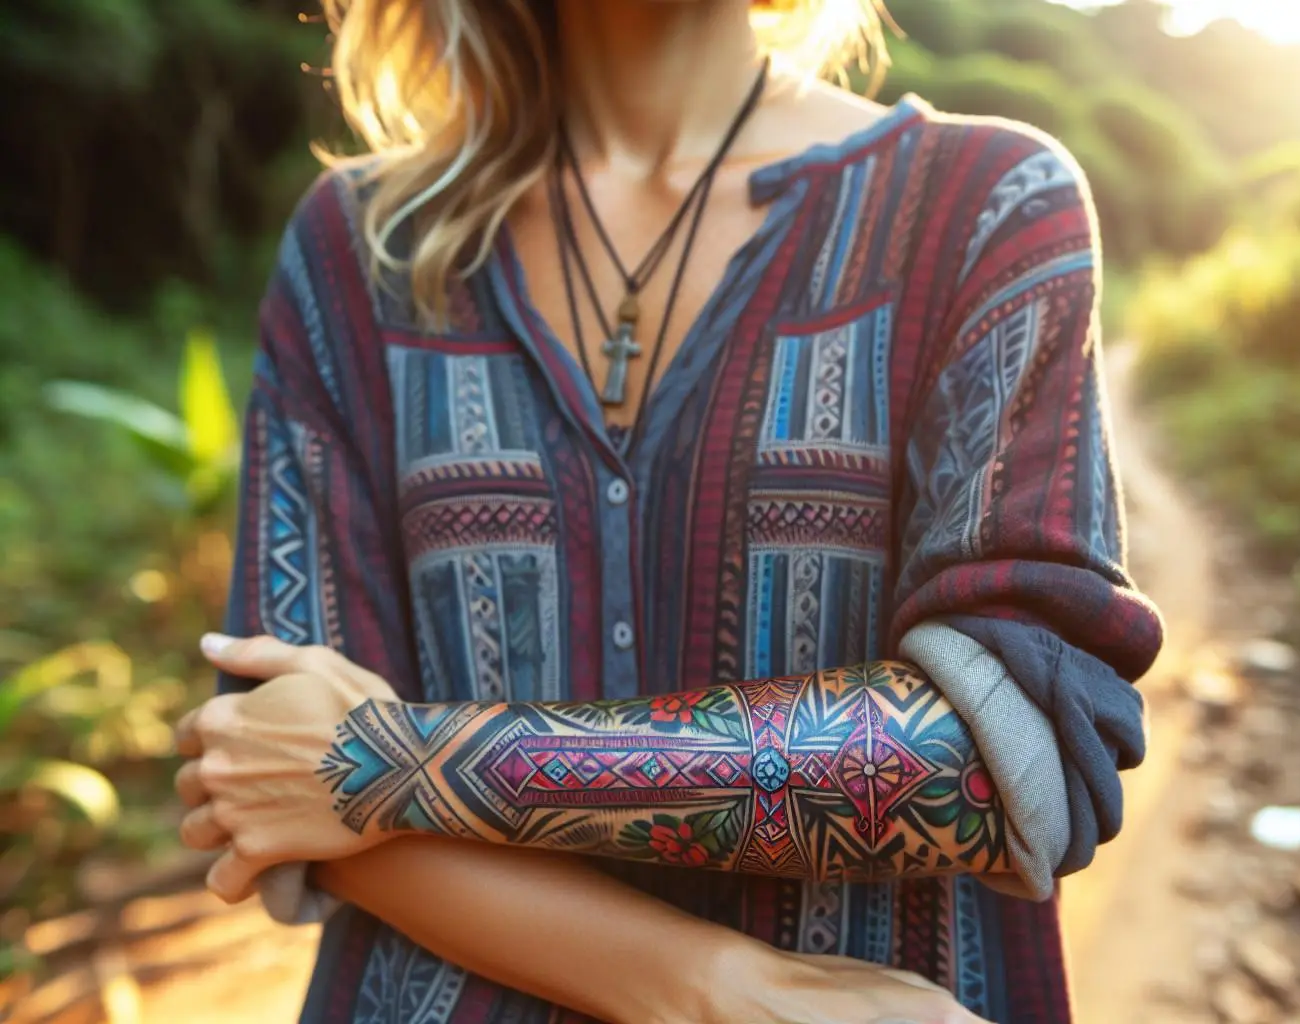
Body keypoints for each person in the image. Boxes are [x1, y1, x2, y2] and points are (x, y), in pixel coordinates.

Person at [172, 0, 1162, 1020]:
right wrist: (716, 988)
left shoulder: (984, 206)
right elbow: (273, 771)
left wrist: (384, 761)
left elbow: (1001, 765)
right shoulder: (358, 245)